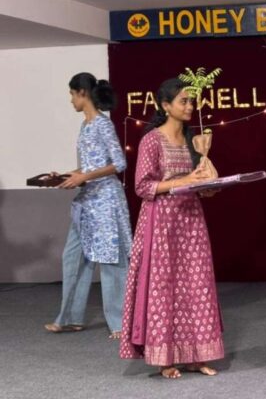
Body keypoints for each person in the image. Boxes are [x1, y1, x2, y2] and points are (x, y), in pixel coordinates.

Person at [119, 78, 224, 379]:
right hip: (161, 223)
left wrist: (208, 185)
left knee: (197, 285)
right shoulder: (152, 140)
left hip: (191, 220)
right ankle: (165, 359)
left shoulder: (193, 139)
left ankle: (195, 356)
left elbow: (199, 181)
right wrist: (184, 181)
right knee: (164, 288)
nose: (190, 106)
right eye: (183, 101)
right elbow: (142, 186)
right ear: (166, 105)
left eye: (192, 101)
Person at [45, 72, 132, 340]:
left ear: (82, 93)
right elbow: (88, 167)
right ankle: (70, 318)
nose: (71, 100)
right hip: (87, 202)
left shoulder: (103, 124)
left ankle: (120, 323)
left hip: (106, 202)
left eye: (72, 94)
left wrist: (84, 177)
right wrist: (67, 176)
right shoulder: (85, 126)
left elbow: (119, 163)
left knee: (111, 261)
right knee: (73, 257)